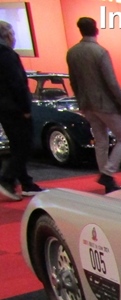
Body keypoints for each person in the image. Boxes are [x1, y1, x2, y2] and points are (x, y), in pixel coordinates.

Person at [66, 17, 121, 193]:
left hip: (87, 103)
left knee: (101, 142)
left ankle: (107, 181)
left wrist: (81, 100)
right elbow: (111, 82)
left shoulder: (72, 53)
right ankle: (108, 173)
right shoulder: (100, 52)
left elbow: (73, 81)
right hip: (106, 104)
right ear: (96, 30)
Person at [0, 21, 42, 200]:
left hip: (4, 108)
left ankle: (26, 183)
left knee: (17, 145)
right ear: (8, 35)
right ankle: (7, 179)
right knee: (25, 145)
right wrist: (25, 107)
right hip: (15, 108)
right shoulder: (8, 55)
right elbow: (17, 84)